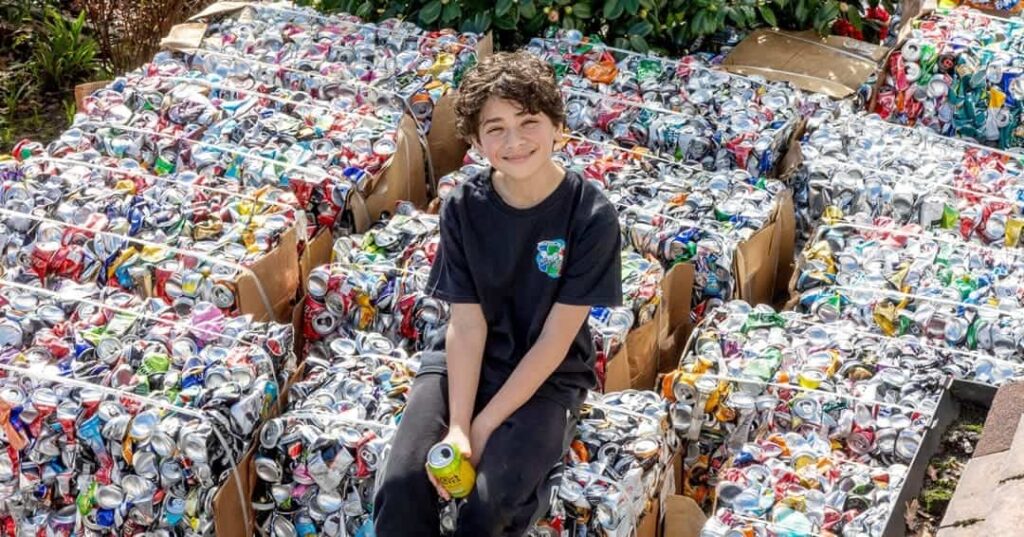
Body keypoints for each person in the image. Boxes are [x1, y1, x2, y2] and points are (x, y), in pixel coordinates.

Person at [373, 51, 622, 537]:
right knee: (402, 484)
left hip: (546, 378)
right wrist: (461, 427)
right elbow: (466, 325)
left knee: (491, 505)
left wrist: (484, 428)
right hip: (463, 362)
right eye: (495, 128)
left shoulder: (590, 216)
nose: (514, 141)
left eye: (529, 122)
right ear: (474, 140)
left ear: (557, 125)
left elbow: (554, 341)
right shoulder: (464, 206)